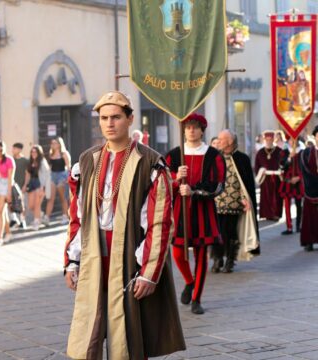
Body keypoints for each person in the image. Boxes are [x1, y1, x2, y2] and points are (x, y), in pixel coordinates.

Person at [64, 91, 185, 359]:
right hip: (95, 257)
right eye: (104, 118)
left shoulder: (150, 162)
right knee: (89, 334)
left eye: (116, 117)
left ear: (130, 119)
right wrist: (72, 261)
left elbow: (159, 222)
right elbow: (77, 217)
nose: (109, 123)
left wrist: (149, 272)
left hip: (130, 258)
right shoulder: (86, 160)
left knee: (127, 338)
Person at [165, 114, 225, 314]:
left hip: (202, 211)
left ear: (202, 130)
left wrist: (194, 191)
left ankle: (197, 299)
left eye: (195, 127)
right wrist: (176, 178)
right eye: (188, 127)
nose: (191, 130)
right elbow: (161, 181)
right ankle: (189, 282)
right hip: (179, 212)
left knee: (201, 255)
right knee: (177, 253)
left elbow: (217, 185)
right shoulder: (174, 155)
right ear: (183, 130)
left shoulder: (213, 155)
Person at [212, 130, 260, 273]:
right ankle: (217, 258)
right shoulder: (214, 157)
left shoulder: (242, 158)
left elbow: (246, 183)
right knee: (216, 233)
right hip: (215, 202)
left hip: (234, 203)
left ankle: (230, 260)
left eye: (221, 139)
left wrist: (245, 199)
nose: (218, 141)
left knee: (230, 233)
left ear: (230, 142)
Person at [255, 130, 283, 220]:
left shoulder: (279, 151)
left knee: (276, 197)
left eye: (270, 139)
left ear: (273, 140)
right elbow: (257, 165)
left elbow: (283, 163)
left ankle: (276, 214)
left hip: (276, 178)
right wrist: (259, 172)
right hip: (265, 178)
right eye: (267, 140)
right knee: (265, 196)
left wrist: (281, 170)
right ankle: (267, 214)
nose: (269, 141)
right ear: (264, 140)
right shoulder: (260, 152)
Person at [22, 145, 51, 231]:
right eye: (32, 152)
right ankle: (40, 214)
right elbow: (27, 175)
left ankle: (36, 221)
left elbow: (46, 176)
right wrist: (25, 185)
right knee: (31, 206)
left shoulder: (42, 162)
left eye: (35, 152)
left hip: (40, 184)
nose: (33, 153)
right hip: (32, 184)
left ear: (39, 153)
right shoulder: (30, 162)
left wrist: (43, 187)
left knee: (37, 204)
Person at [279, 137, 304, 235]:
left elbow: (305, 167)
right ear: (288, 141)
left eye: (295, 140)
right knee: (287, 205)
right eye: (291, 140)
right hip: (288, 181)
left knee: (299, 204)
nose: (293, 142)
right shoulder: (284, 152)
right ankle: (289, 227)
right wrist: (289, 158)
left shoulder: (302, 152)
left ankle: (299, 226)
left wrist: (299, 177)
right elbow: (282, 166)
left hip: (298, 180)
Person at [43, 137, 70, 226]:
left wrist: (68, 179)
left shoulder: (64, 154)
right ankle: (46, 217)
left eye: (55, 143)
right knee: (51, 197)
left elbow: (68, 167)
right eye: (52, 143)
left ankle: (65, 216)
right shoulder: (51, 154)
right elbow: (50, 167)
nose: (53, 145)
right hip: (53, 176)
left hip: (62, 175)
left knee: (63, 198)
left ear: (59, 144)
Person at [299, 125, 318, 251]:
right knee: (310, 219)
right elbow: (304, 169)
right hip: (312, 189)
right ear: (315, 136)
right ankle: (309, 241)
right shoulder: (306, 153)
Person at [11, 142, 29, 228]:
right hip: (12, 185)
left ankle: (23, 221)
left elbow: (27, 174)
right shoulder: (11, 160)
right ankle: (14, 220)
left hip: (21, 186)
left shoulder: (25, 161)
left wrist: (25, 185)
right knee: (11, 203)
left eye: (14, 148)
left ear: (19, 149)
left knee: (21, 204)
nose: (13, 150)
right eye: (13, 148)